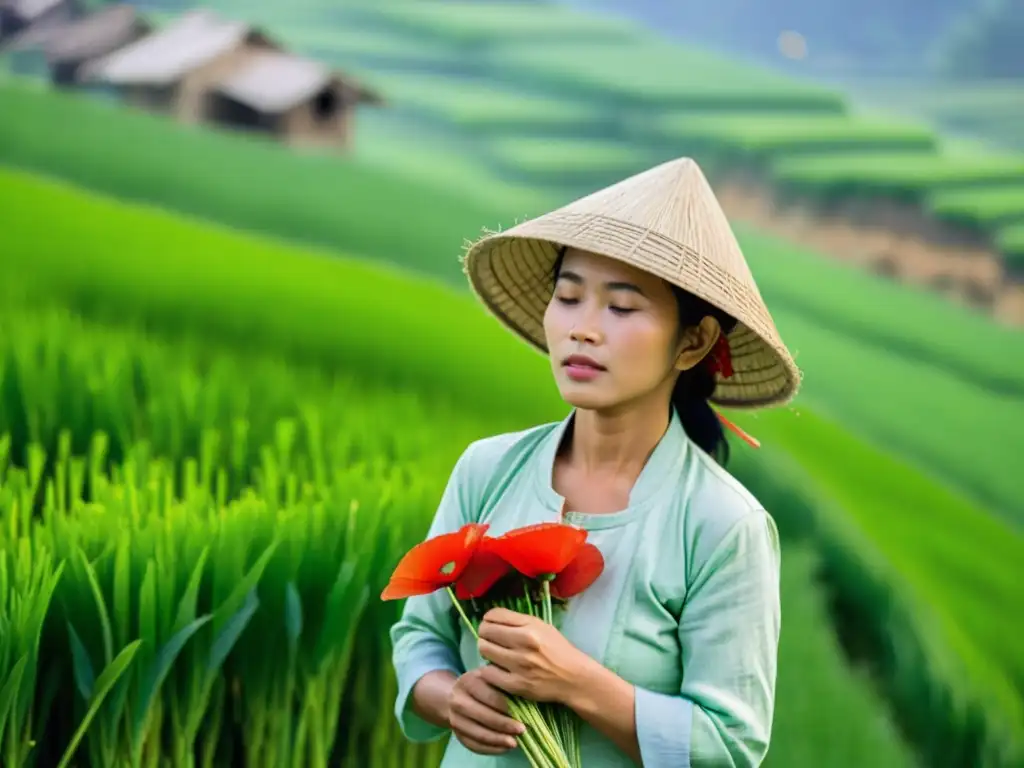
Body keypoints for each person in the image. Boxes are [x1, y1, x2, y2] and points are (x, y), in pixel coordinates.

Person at [389, 157, 800, 767]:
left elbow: (730, 745)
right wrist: (450, 699)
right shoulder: (487, 469)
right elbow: (419, 639)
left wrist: (576, 681)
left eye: (622, 308)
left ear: (693, 342)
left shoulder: (722, 526)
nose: (583, 329)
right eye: (569, 296)